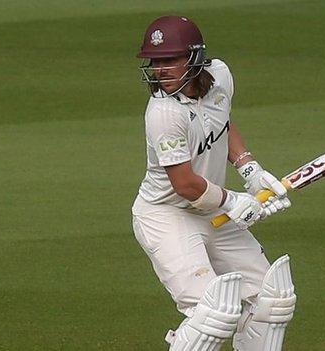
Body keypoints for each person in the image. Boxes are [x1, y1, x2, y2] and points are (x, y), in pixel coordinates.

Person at [131, 16, 297, 351]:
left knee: (272, 299)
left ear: (195, 58)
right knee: (213, 312)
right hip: (167, 215)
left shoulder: (220, 75)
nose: (160, 70)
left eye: (169, 60)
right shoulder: (164, 114)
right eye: (155, 62)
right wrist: (234, 202)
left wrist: (249, 168)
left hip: (210, 210)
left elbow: (221, 122)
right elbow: (185, 184)